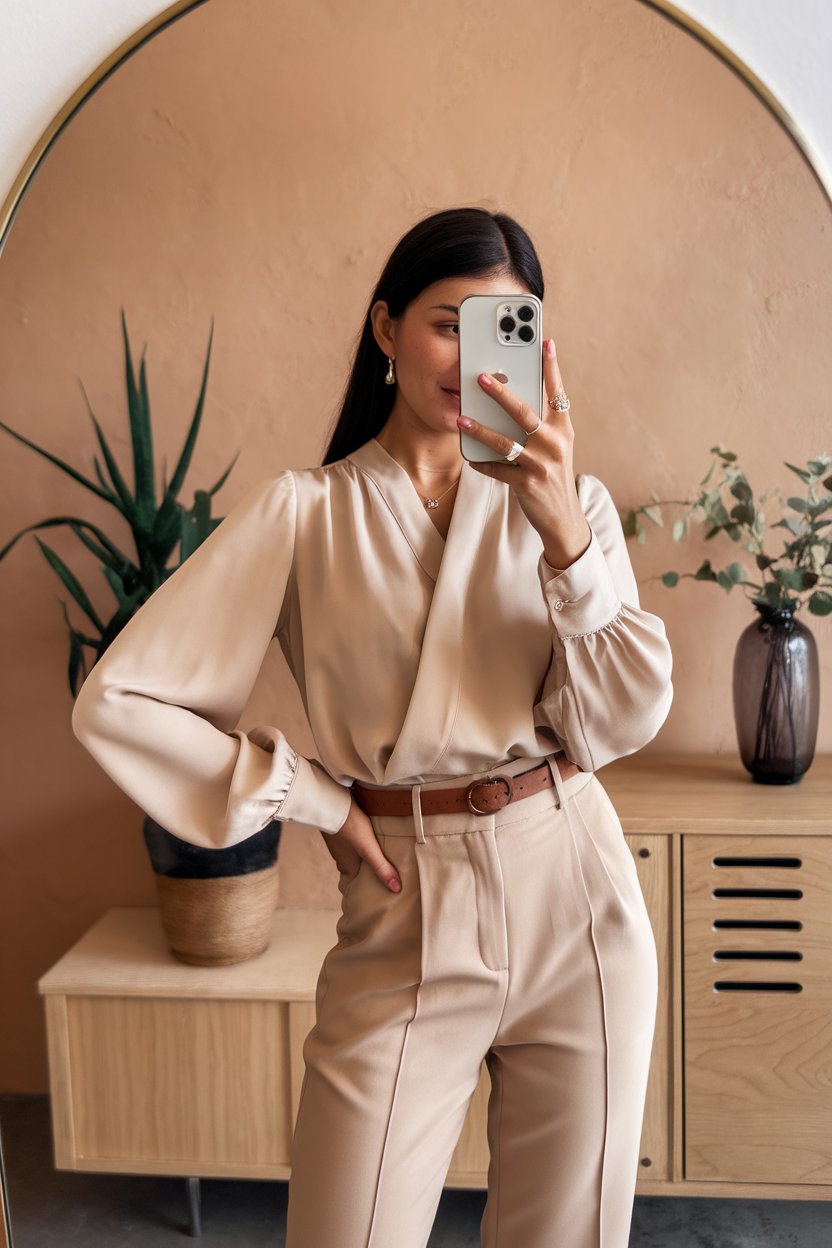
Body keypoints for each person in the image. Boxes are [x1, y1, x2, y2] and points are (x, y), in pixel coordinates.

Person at [71, 206, 674, 1248]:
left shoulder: (569, 507)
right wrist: (309, 796)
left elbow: (620, 722)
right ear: (385, 328)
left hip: (575, 885)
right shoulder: (305, 513)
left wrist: (565, 537)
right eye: (449, 322)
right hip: (405, 899)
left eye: (507, 328)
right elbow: (119, 702)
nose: (472, 357)